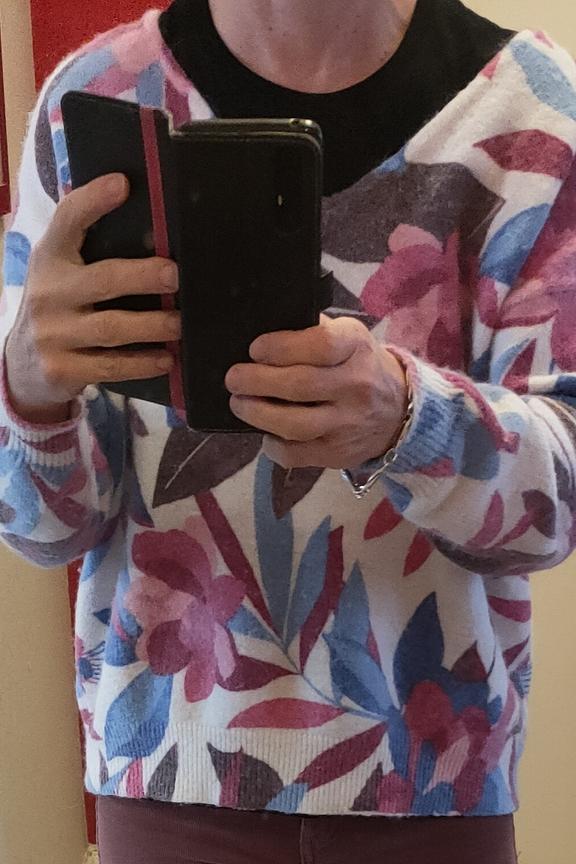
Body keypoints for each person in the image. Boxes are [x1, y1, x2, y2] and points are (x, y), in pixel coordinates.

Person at [1, 0, 575, 861]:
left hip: (431, 775)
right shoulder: (95, 103)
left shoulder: (534, 114)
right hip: (169, 770)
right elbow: (45, 530)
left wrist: (408, 420)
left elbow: (558, 507)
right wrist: (30, 390)